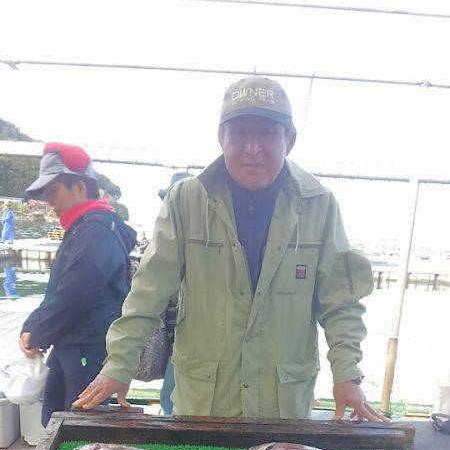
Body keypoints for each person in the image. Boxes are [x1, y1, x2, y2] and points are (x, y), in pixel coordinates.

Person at [75, 76, 387, 422]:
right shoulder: (185, 201)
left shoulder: (320, 205)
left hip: (283, 404)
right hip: (203, 401)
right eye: (239, 134)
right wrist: (119, 363)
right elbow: (149, 289)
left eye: (268, 133)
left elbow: (340, 301)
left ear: (290, 140)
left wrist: (347, 373)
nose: (252, 148)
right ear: (221, 138)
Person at [19, 142, 136, 426]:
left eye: (54, 191)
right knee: (55, 421)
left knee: (79, 428)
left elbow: (75, 294)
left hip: (89, 348)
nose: (49, 200)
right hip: (70, 344)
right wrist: (32, 326)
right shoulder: (84, 228)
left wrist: (37, 334)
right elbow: (58, 289)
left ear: (80, 188)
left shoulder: (95, 231)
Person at [158, 171, 193, 415]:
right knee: (169, 395)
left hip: (187, 339)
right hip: (175, 337)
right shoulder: (167, 238)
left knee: (171, 396)